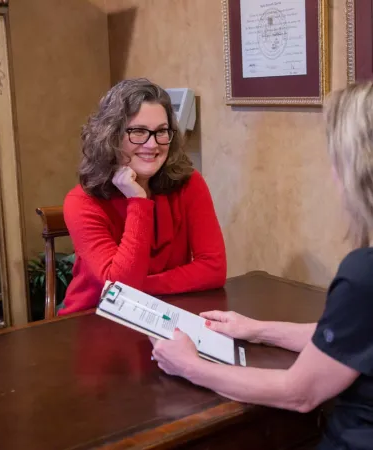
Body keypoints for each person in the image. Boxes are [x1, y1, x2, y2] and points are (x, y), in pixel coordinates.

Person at [151, 81, 373, 450]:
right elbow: (347, 336)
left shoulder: (363, 274)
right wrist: (257, 329)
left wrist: (190, 365)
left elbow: (299, 393)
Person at [59, 78, 226, 315]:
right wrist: (138, 201)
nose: (152, 144)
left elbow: (213, 268)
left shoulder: (189, 183)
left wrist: (139, 287)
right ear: (111, 135)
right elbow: (120, 284)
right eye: (138, 132)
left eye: (161, 132)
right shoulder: (82, 202)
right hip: (93, 318)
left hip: (162, 313)